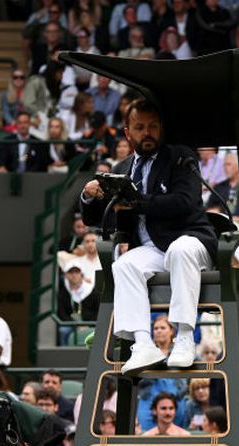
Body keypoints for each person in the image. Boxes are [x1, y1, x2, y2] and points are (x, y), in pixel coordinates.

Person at [79, 98, 215, 375]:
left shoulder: (181, 156)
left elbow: (185, 202)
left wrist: (137, 202)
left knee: (180, 250)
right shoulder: (121, 169)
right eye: (140, 127)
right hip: (153, 250)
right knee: (124, 264)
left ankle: (185, 337)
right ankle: (143, 344)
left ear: (161, 128)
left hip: (192, 241)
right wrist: (88, 196)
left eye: (153, 126)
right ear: (128, 133)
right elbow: (95, 219)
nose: (147, 132)